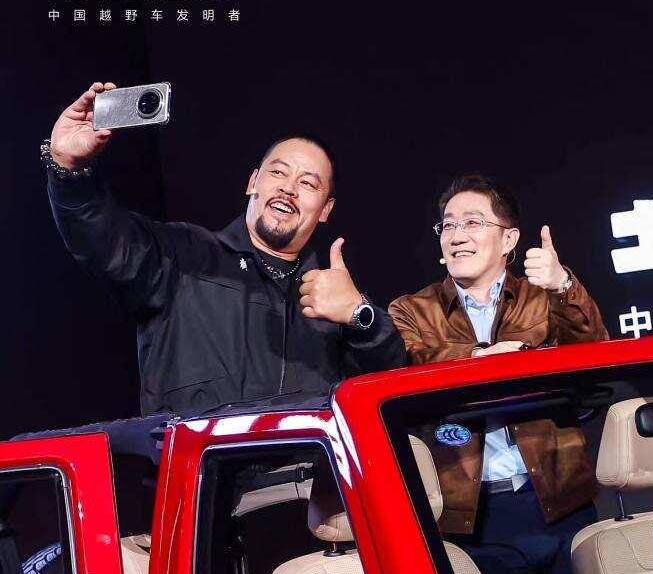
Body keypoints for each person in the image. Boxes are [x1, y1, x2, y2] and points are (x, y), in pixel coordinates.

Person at [42, 81, 406, 418]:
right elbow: (102, 239)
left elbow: (393, 394)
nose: (289, 189)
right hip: (198, 466)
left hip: (308, 468)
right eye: (278, 173)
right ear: (253, 182)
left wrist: (360, 315)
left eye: (308, 183)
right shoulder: (183, 256)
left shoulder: (331, 300)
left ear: (326, 209)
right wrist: (67, 168)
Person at [389, 174, 608, 574]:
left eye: (473, 223)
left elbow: (594, 358)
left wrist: (564, 286)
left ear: (509, 239)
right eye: (448, 225)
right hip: (472, 518)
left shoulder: (543, 298)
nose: (457, 236)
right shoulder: (411, 310)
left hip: (561, 504)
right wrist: (480, 358)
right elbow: (407, 362)